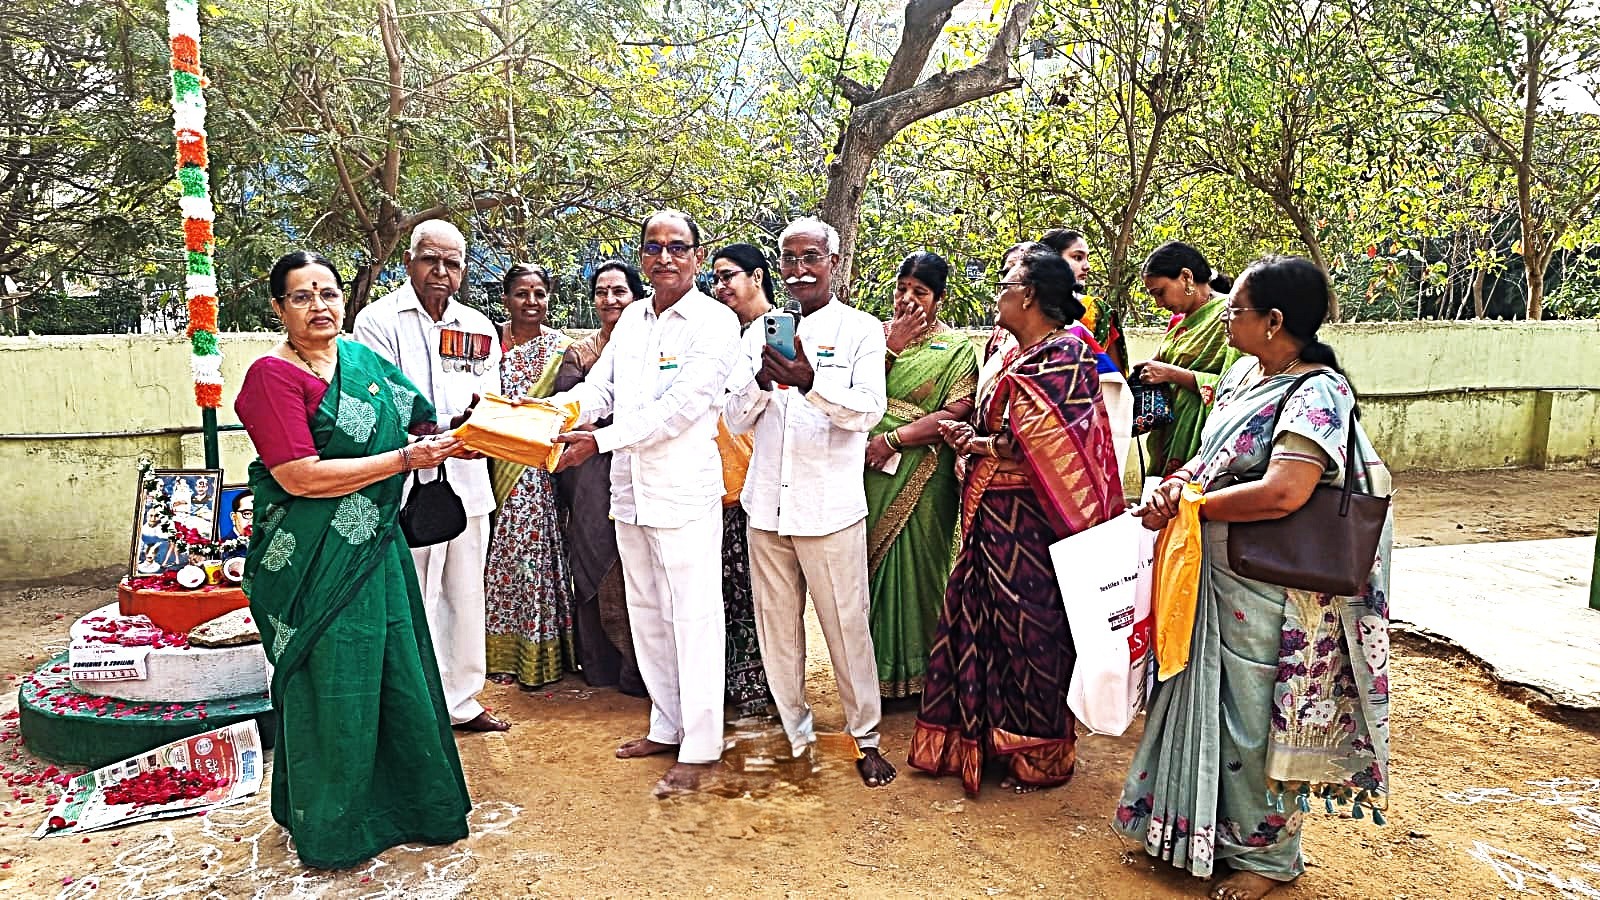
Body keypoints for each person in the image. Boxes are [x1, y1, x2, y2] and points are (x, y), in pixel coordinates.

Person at [1115, 256, 1392, 900]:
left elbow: (1283, 493)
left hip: (1267, 583)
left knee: (1251, 714)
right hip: (1210, 567)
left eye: (1237, 308)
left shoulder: (1318, 390)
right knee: (1195, 692)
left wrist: (1190, 506)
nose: (1227, 317)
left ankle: (1267, 858)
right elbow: (1210, 457)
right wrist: (1178, 487)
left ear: (1274, 321)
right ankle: (1192, 831)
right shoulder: (1243, 374)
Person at [235, 250, 471, 869]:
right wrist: (402, 463)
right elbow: (300, 476)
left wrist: (490, 429)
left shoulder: (364, 362)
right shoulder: (272, 378)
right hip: (314, 559)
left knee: (397, 671)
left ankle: (413, 807)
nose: (320, 307)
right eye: (302, 297)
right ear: (279, 308)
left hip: (376, 551)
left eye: (329, 293)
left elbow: (424, 422)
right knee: (334, 680)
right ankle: (335, 825)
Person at [908, 248, 1122, 796]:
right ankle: (984, 741)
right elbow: (997, 430)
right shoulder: (1005, 351)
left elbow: (1046, 440)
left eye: (1006, 283)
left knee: (1034, 628)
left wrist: (980, 443)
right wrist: (973, 441)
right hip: (988, 511)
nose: (997, 291)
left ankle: (1040, 752)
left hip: (1035, 517)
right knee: (982, 621)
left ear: (1028, 296)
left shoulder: (1066, 353)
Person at [546, 210, 741, 796]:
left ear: (698, 257)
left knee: (695, 615)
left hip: (682, 489)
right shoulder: (632, 318)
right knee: (648, 612)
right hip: (629, 489)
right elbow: (601, 387)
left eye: (677, 247)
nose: (663, 258)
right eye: (652, 248)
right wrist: (554, 417)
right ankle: (667, 724)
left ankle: (702, 745)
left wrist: (599, 440)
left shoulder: (714, 323)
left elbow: (683, 406)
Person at [724, 216, 896, 788]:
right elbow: (733, 416)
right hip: (766, 505)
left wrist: (808, 382)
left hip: (829, 509)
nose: (799, 271)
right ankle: (795, 733)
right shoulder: (757, 332)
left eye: (811, 258)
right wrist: (762, 382)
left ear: (834, 263)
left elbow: (869, 410)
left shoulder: (862, 331)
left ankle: (865, 737)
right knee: (778, 627)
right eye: (790, 259)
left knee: (847, 626)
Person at [352, 220, 509, 732]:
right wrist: (447, 431)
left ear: (464, 270)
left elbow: (491, 397)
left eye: (453, 263)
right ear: (409, 261)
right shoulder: (378, 320)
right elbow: (383, 399)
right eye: (430, 260)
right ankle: (412, 708)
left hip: (467, 481)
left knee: (465, 596)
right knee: (412, 597)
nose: (441, 272)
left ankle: (462, 701)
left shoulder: (479, 327)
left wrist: (480, 428)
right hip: (405, 480)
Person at [861, 251, 976, 698]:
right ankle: (871, 676)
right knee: (867, 572)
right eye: (901, 289)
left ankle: (918, 676)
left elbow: (959, 409)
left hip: (924, 472)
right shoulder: (873, 336)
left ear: (939, 299)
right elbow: (855, 392)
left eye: (920, 292)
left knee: (917, 568)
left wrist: (893, 440)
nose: (907, 300)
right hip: (866, 471)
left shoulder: (956, 348)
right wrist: (891, 345)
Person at [553, 261, 646, 697]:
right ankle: (605, 664)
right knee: (594, 552)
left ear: (636, 296)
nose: (610, 300)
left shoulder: (650, 344)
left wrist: (610, 426)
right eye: (602, 292)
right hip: (589, 474)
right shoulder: (581, 352)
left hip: (637, 460)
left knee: (639, 567)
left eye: (619, 291)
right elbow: (567, 402)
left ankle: (642, 669)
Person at [483, 263, 574, 689]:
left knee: (531, 551)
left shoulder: (559, 348)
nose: (532, 302)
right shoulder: (485, 343)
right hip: (486, 457)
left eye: (540, 293)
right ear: (506, 298)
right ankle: (493, 652)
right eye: (522, 293)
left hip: (536, 463)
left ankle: (537, 652)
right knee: (492, 555)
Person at [708, 243, 775, 717]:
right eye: (716, 278)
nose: (721, 285)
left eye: (729, 275)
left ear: (757, 276)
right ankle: (733, 684)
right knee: (727, 590)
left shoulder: (781, 331)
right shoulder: (722, 332)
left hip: (759, 480)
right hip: (718, 479)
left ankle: (761, 686)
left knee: (757, 591)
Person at [1135, 240, 1242, 477]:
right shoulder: (1181, 325)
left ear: (1186, 276)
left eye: (1160, 293)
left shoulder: (1231, 315)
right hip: (1171, 431)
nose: (1159, 304)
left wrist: (1171, 373)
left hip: (1203, 437)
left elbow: (1239, 385)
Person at [1040, 228, 1133, 473]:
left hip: (1085, 422)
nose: (1087, 266)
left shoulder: (1095, 312)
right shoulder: (1019, 312)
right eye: (1077, 257)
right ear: (1051, 261)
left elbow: (1114, 380)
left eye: (1087, 258)